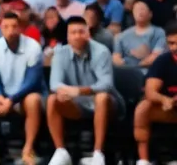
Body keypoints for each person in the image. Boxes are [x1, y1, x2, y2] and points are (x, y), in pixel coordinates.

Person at [47, 15, 123, 165]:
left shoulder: (101, 51)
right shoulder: (60, 53)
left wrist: (80, 91)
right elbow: (54, 83)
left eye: (81, 32)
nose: (77, 36)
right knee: (52, 99)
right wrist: (65, 92)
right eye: (73, 33)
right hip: (76, 104)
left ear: (88, 33)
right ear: (67, 36)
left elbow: (106, 84)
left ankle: (98, 153)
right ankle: (61, 151)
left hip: (107, 104)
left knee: (101, 97)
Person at [0, 10, 45, 165]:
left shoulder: (33, 47)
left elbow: (32, 81)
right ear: (1, 28)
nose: (10, 30)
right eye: (6, 27)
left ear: (20, 28)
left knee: (33, 100)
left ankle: (28, 149)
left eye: (14, 26)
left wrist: (12, 99)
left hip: (24, 96)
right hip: (4, 97)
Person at [134, 23, 177, 165]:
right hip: (169, 108)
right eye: (171, 43)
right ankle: (144, 160)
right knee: (143, 108)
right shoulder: (162, 61)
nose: (174, 47)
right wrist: (164, 99)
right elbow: (150, 91)